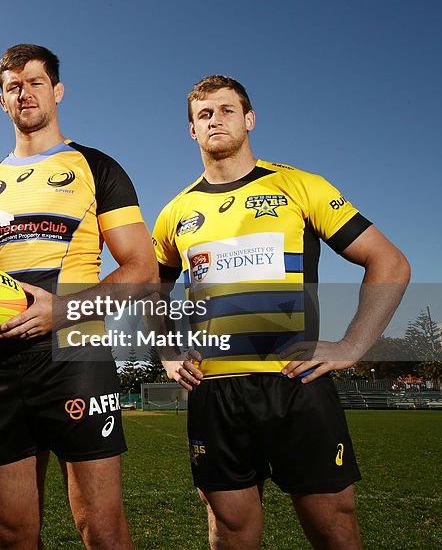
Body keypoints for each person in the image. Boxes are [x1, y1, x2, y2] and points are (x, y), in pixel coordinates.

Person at [152, 75, 410, 549]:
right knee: (229, 529)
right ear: (192, 130)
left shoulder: (299, 186)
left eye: (227, 110)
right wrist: (167, 350)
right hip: (217, 392)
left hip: (296, 383)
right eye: (204, 114)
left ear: (249, 119)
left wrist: (352, 345)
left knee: (335, 525)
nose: (216, 120)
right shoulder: (175, 213)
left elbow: (389, 261)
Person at [0, 44, 156, 549]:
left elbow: (142, 268)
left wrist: (61, 311)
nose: (25, 93)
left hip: (76, 357)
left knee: (101, 527)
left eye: (35, 82)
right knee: (11, 531)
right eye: (13, 86)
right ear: (1, 100)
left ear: (58, 91)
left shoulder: (97, 167)